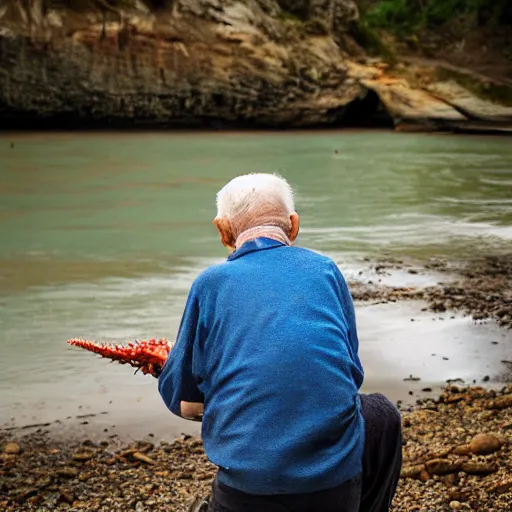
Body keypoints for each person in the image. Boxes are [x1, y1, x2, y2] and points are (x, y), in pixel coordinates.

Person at [158, 173, 402, 512]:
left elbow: (179, 395)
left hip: (246, 493)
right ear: (293, 225)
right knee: (381, 413)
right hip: (333, 488)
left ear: (223, 230)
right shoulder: (325, 271)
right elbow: (350, 373)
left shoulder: (210, 283)